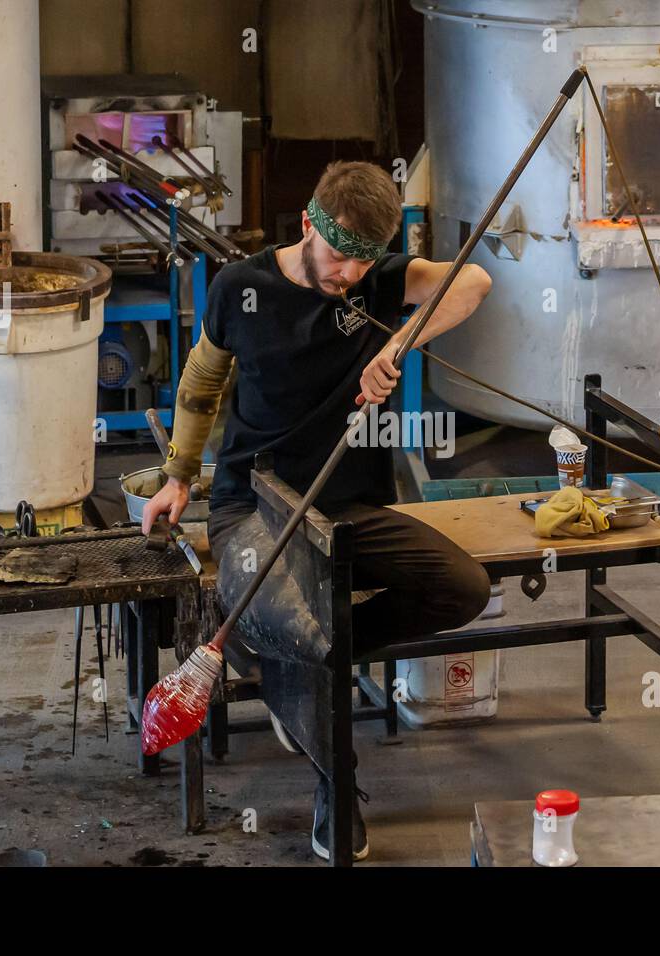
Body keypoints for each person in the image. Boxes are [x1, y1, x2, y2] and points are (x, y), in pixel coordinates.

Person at [140, 160, 492, 860]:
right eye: (338, 258)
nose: (350, 277)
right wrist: (179, 475)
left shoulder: (377, 282)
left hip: (344, 508)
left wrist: (397, 342)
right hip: (252, 507)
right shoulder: (242, 288)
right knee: (306, 627)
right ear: (307, 224)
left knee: (462, 589)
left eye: (365, 264)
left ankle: (277, 656)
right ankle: (338, 783)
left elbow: (475, 282)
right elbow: (203, 376)